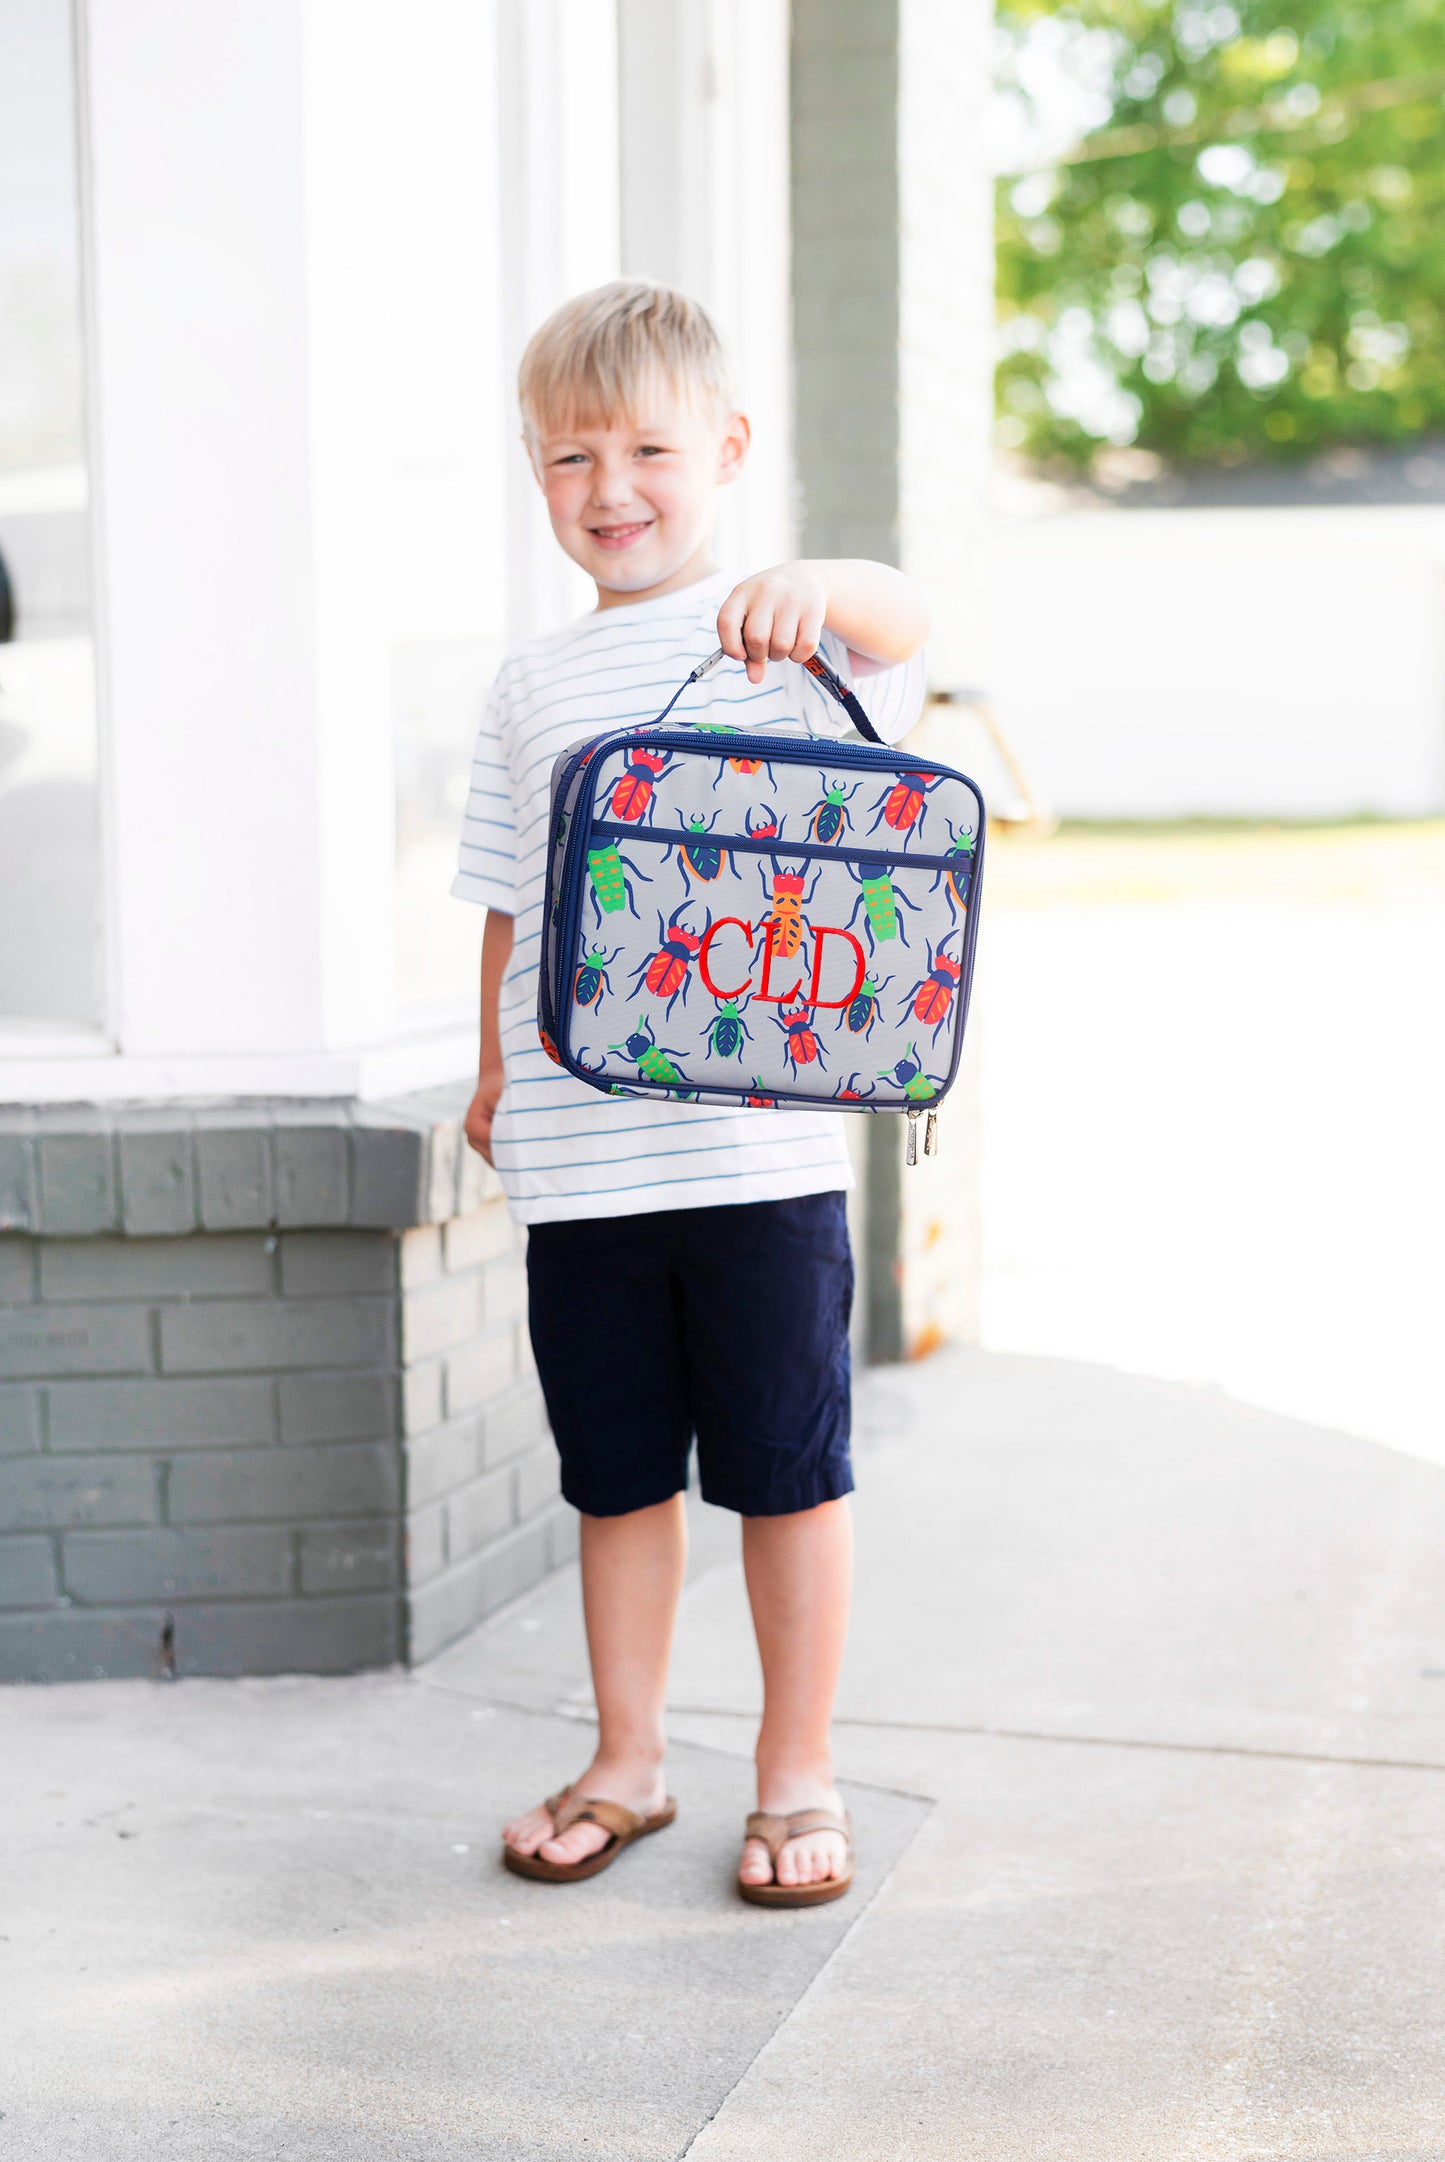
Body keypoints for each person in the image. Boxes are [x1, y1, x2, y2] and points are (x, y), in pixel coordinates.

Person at [454, 280, 928, 1907]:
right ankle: (630, 1755)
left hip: (756, 1162)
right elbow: (514, 899)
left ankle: (796, 1770)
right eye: (570, 457)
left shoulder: (781, 634)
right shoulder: (527, 683)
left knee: (788, 1477)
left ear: (724, 449)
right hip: (586, 1171)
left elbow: (910, 626)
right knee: (617, 1480)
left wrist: (819, 582)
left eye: (650, 447)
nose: (611, 489)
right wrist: (492, 1067)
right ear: (537, 476)